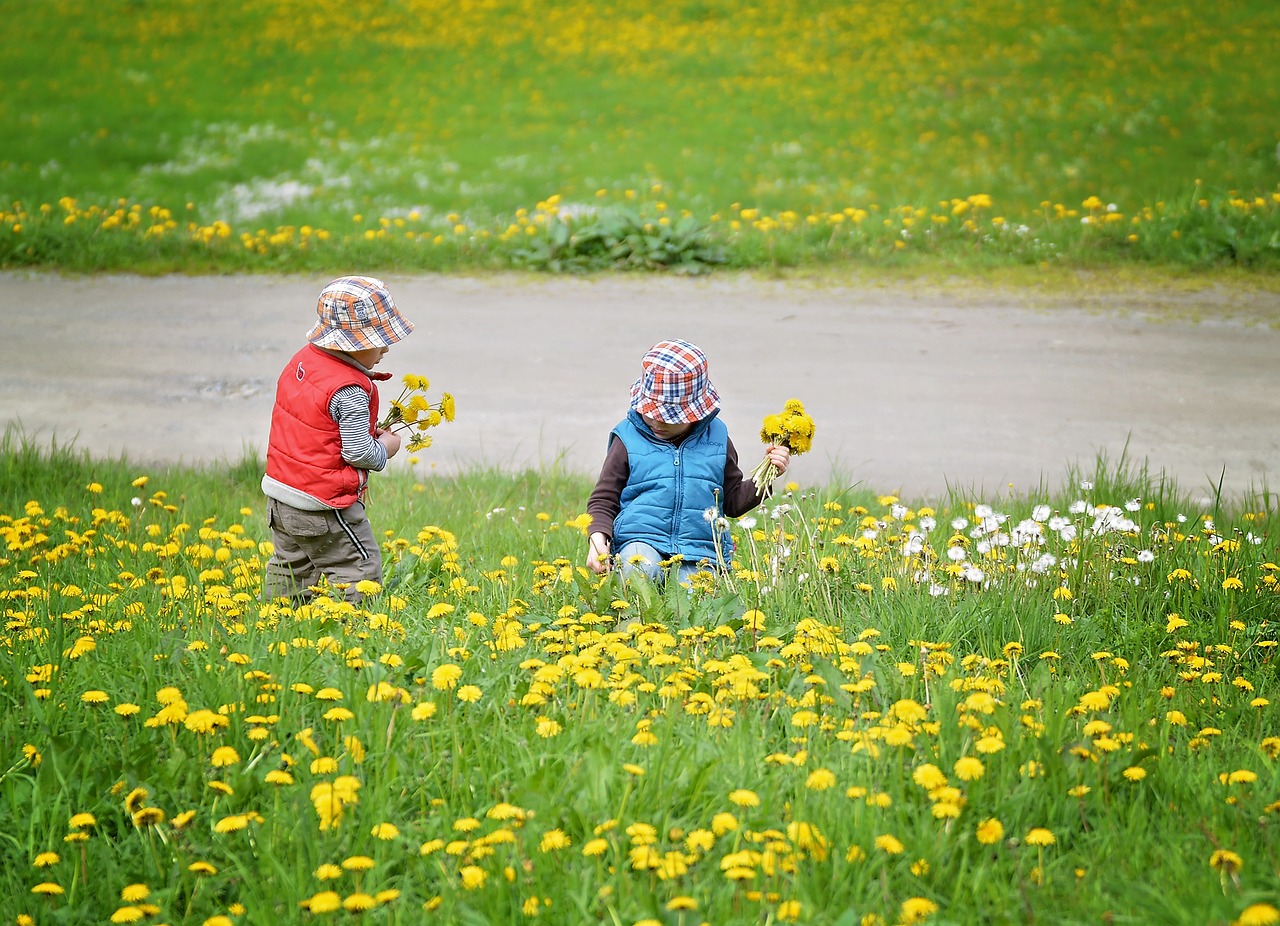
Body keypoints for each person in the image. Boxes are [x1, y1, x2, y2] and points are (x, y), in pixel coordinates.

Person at [586, 338, 790, 586]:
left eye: (668, 417)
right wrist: (598, 540)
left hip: (699, 551)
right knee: (637, 573)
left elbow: (733, 502)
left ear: (696, 412)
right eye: (651, 412)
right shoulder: (627, 438)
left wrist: (768, 474)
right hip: (640, 540)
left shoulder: (717, 439)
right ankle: (630, 622)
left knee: (696, 598)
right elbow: (604, 499)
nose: (657, 422)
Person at [260, 275, 414, 603]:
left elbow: (317, 425)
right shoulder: (349, 390)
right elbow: (358, 452)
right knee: (360, 567)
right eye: (379, 341)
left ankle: (274, 620)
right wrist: (385, 448)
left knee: (290, 567)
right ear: (352, 344)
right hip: (323, 504)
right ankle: (357, 632)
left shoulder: (302, 361)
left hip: (282, 492)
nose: (385, 348)